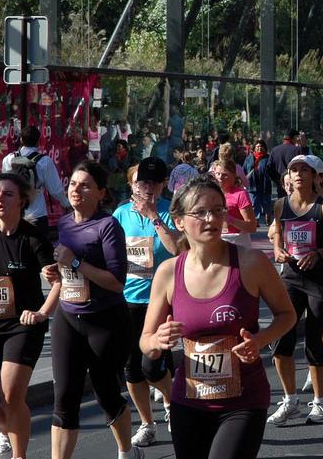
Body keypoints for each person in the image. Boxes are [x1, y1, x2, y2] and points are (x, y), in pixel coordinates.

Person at [140, 176, 295, 459]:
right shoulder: (168, 272)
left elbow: (287, 315)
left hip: (243, 400)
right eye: (200, 212)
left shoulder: (251, 263)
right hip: (188, 400)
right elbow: (146, 341)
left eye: (217, 209)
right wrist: (157, 340)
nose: (211, 218)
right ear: (179, 221)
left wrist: (260, 340)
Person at [45, 160, 141, 459]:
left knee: (106, 395)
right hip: (67, 317)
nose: (77, 189)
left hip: (105, 321)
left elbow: (116, 281)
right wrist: (53, 272)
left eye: (85, 185)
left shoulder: (107, 225)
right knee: (64, 399)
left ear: (101, 192)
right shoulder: (63, 223)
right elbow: (67, 271)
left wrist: (74, 262)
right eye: (73, 183)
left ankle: (127, 451)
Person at [0, 173, 59, 459]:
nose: (0, 199)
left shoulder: (32, 238)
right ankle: (10, 429)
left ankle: (19, 455)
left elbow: (57, 280)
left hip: (22, 325)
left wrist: (42, 313)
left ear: (22, 201)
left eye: (7, 194)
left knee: (10, 395)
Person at [113, 158, 183, 448]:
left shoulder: (170, 212)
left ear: (163, 185)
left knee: (152, 367)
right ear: (132, 184)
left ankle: (171, 403)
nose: (147, 188)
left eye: (154, 183)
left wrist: (154, 216)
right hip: (127, 298)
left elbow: (177, 247)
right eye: (142, 182)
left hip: (161, 300)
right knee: (131, 369)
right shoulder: (120, 214)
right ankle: (146, 422)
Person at [267, 154, 323, 426]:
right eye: (293, 169)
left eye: (303, 170)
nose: (297, 174)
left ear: (314, 176)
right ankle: (290, 400)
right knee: (282, 343)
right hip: (290, 278)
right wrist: (277, 250)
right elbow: (278, 233)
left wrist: (319, 253)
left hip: (318, 281)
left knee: (314, 342)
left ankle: (320, 403)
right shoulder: (280, 205)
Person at [0, 126, 70, 240]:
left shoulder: (8, 159)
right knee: (38, 253)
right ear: (38, 141)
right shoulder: (44, 161)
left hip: (14, 214)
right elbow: (55, 190)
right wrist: (67, 204)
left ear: (21, 140)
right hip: (37, 215)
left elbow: (4, 185)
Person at [210, 158, 257, 249]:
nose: (220, 177)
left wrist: (229, 219)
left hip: (237, 242)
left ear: (234, 175)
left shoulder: (240, 194)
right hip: (216, 241)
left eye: (225, 175)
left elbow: (252, 227)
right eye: (218, 174)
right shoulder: (212, 193)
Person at [266, 130, 306, 198]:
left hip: (281, 185)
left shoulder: (274, 150)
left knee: (282, 205)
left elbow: (268, 168)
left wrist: (277, 180)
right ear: (295, 137)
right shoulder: (298, 150)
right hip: (294, 184)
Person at [243, 140, 273, 226]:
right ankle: (256, 220)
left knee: (266, 203)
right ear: (254, 148)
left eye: (261, 146)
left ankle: (268, 219)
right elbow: (244, 170)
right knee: (254, 204)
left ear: (265, 148)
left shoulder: (268, 158)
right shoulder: (249, 158)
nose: (259, 148)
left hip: (264, 184)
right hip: (252, 185)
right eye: (257, 146)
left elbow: (272, 170)